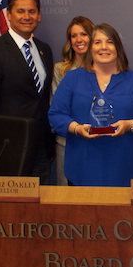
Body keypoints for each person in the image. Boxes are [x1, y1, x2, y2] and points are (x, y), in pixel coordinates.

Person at [48, 23, 133, 187]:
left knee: (123, 214)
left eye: (110, 42)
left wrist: (130, 125)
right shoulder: (72, 79)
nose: (104, 47)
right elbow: (55, 115)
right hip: (83, 166)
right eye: (97, 42)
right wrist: (76, 128)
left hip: (125, 166)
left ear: (118, 47)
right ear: (90, 48)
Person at [0, 0, 54, 184]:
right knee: (11, 210)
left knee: (39, 207)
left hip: (41, 147)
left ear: (39, 15)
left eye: (32, 11)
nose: (27, 17)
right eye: (20, 11)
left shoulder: (44, 50)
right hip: (9, 147)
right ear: (9, 15)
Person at [51, 16, 95, 186]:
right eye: (74, 36)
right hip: (68, 143)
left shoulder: (105, 68)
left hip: (99, 143)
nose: (79, 40)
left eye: (84, 34)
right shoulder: (60, 70)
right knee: (67, 199)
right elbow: (57, 110)